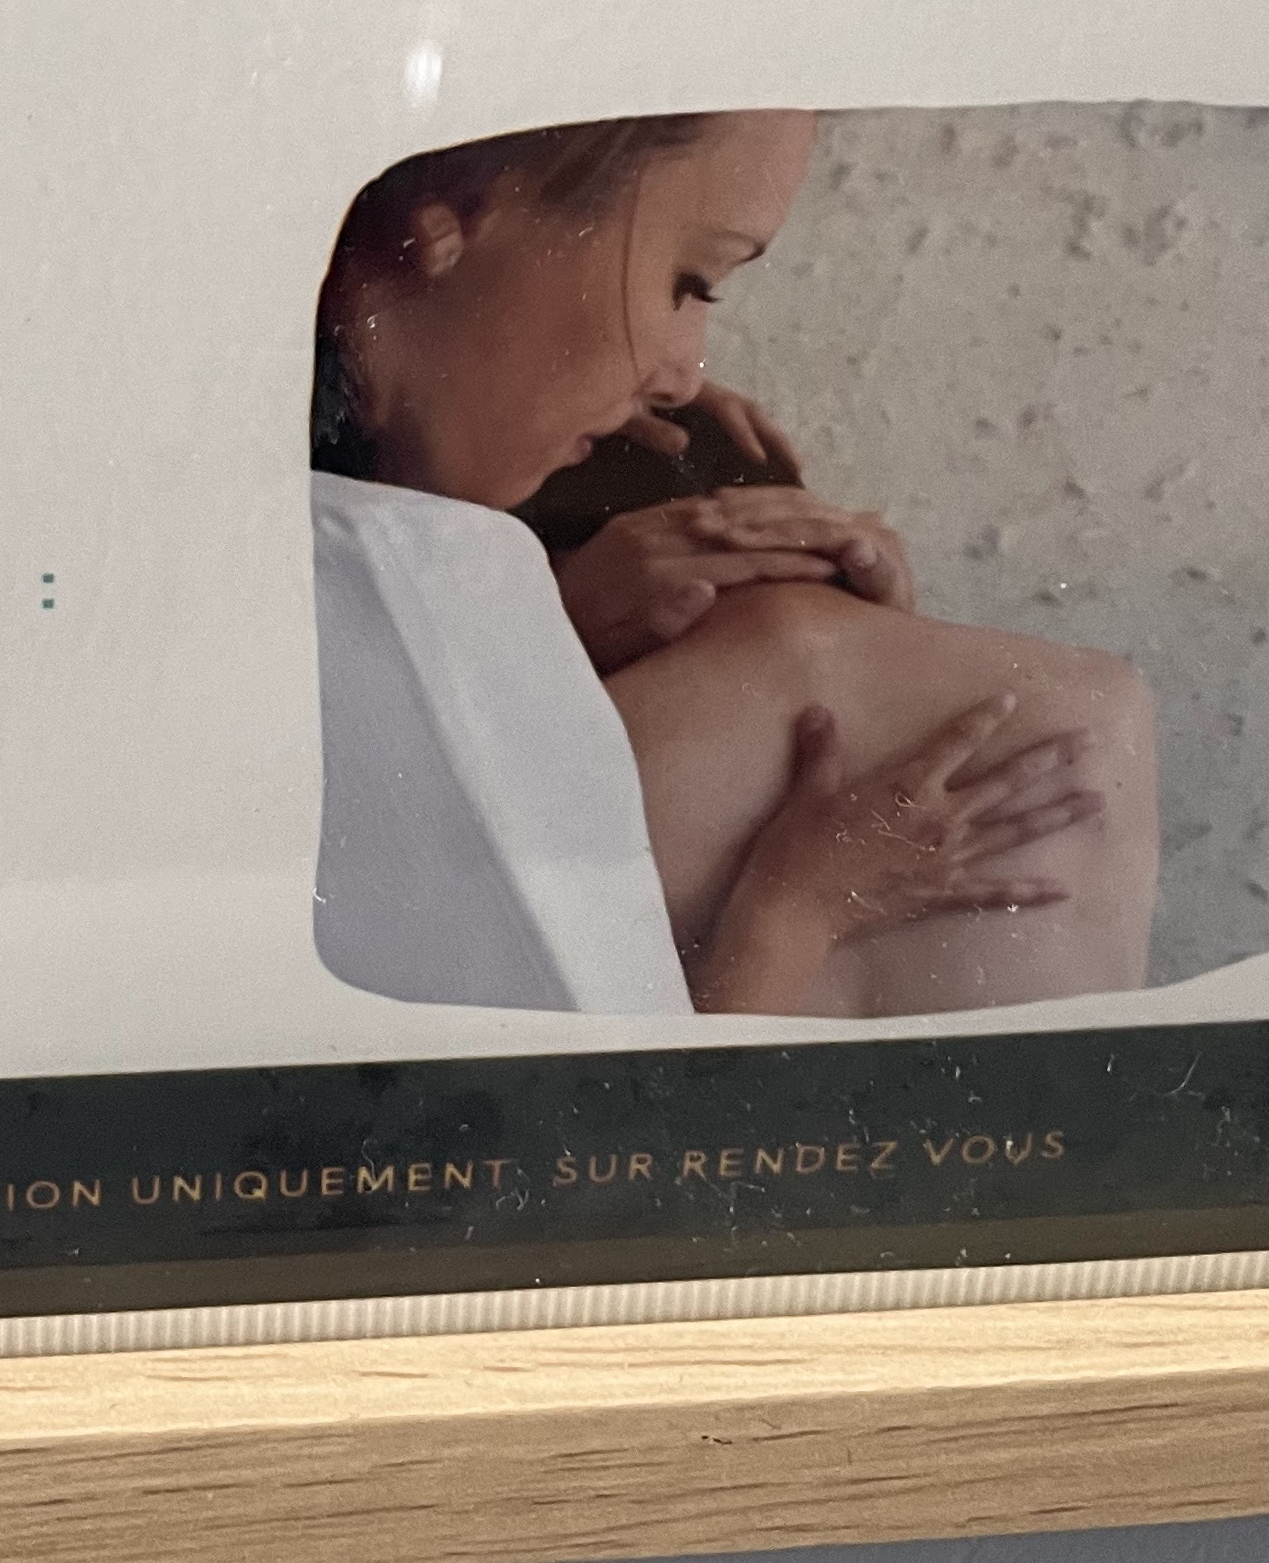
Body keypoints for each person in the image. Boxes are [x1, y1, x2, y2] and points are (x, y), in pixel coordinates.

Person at [309, 110, 1154, 1016]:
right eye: (689, 281)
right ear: (451, 220)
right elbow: (601, 1102)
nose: (682, 375)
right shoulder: (1095, 706)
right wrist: (791, 918)